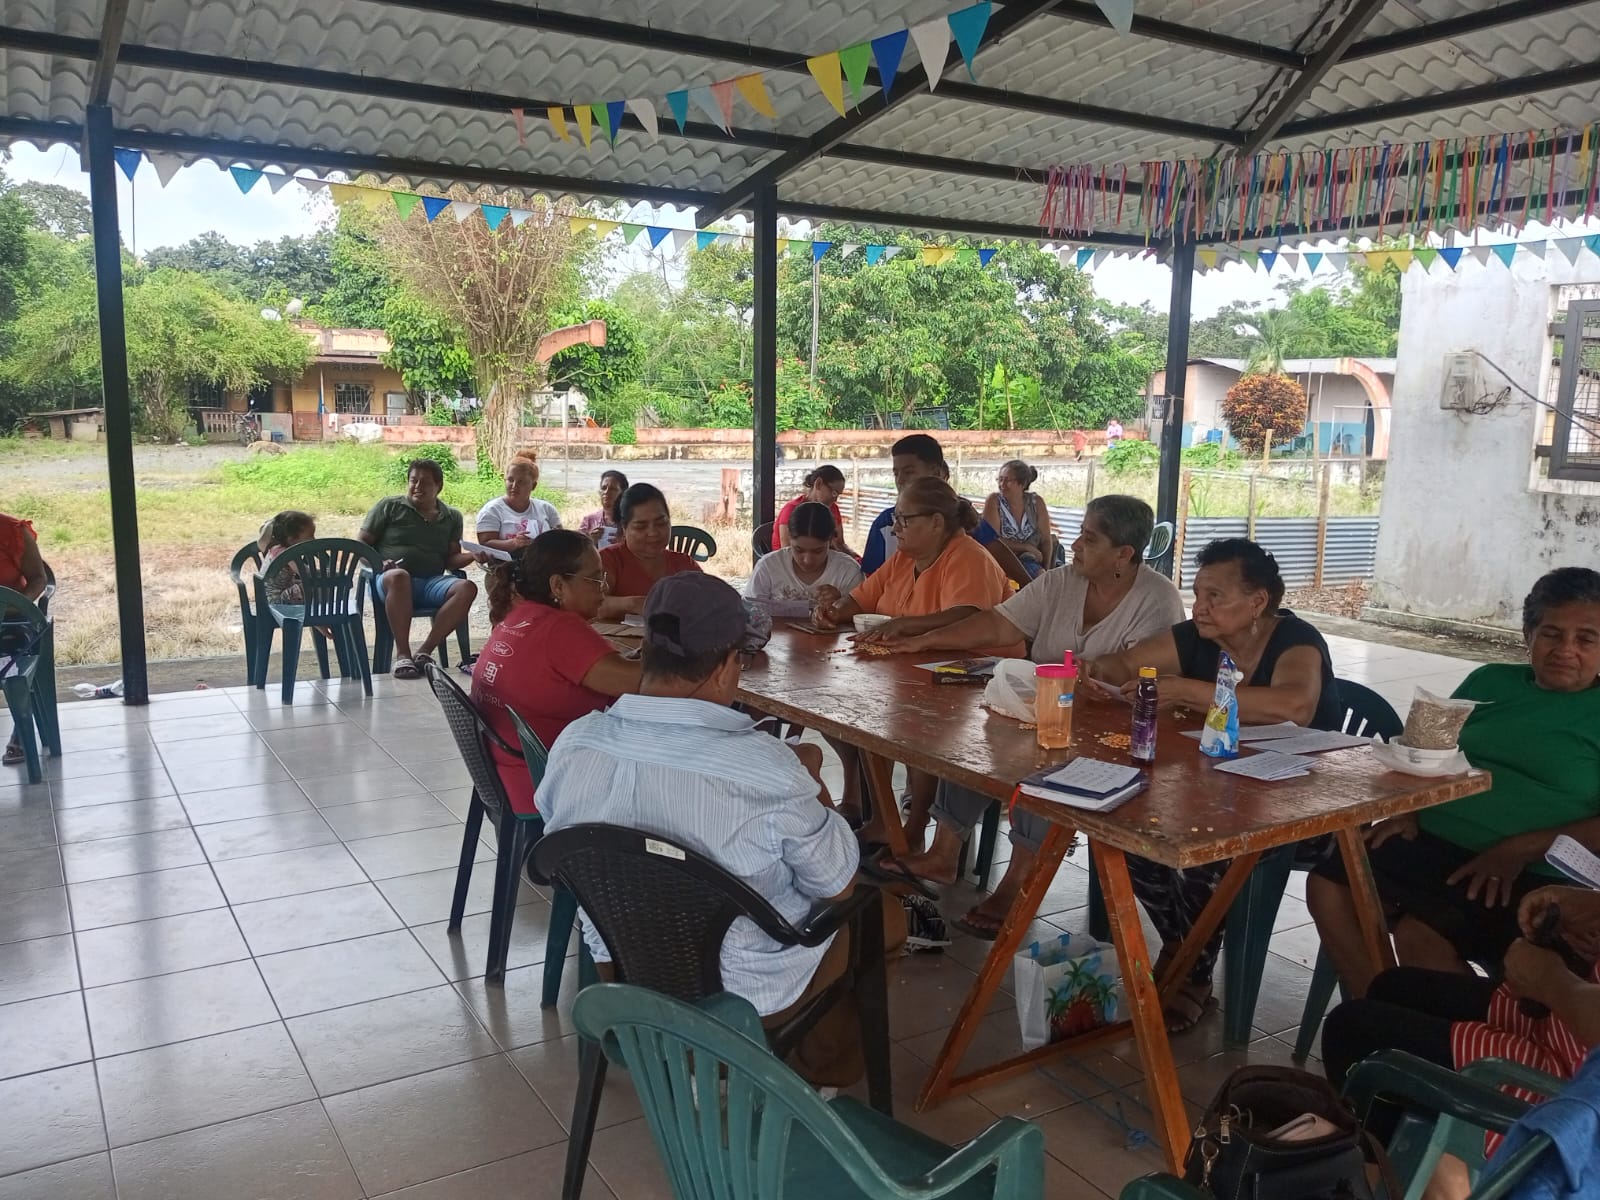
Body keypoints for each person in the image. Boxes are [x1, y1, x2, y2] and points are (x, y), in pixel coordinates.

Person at [535, 572, 905, 1085]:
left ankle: (713, 1067)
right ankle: (814, 1073)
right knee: (885, 915)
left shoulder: (576, 742)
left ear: (644, 651)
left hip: (623, 976)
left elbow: (564, 840)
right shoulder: (766, 767)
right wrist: (813, 783)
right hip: (742, 998)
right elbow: (837, 885)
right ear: (727, 666)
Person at [861, 496, 1184, 937]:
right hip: (1046, 712)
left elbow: (1142, 673)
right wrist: (925, 640)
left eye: (1090, 539)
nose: (1075, 545)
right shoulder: (1061, 581)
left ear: (1123, 554)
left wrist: (1095, 680)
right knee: (969, 740)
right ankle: (943, 852)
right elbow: (999, 624)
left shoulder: (1156, 599)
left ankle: (1018, 880)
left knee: (1050, 766)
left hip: (1114, 733)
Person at [1085, 537, 1341, 1032]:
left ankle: (1192, 972)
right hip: (1223, 788)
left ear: (1258, 602)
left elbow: (1294, 705)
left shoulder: (1296, 640)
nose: (1199, 606)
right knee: (1123, 824)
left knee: (1207, 850)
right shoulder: (1197, 637)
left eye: (1215, 596)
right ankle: (1184, 948)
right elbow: (1125, 664)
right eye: (1198, 593)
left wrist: (1186, 690)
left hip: (1305, 807)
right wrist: (1096, 671)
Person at [1308, 566, 1600, 998]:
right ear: (1528, 635)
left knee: (1420, 936)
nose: (1566, 650)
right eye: (1552, 634)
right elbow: (1430, 752)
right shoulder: (1490, 680)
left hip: (1530, 872)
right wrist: (1411, 808)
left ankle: (1463, 1029)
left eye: (1586, 639)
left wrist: (1519, 849)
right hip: (1433, 842)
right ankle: (1376, 1010)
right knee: (1330, 885)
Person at [1321, 885, 1600, 1199]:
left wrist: (1548, 979)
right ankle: (1412, 1160)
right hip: (1564, 1024)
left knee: (1351, 1033)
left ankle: (1400, 1181)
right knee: (1392, 987)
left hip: (1571, 1083)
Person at [815, 477, 1023, 849]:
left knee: (910, 722)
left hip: (979, 678)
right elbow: (862, 598)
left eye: (904, 519)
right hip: (915, 671)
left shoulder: (968, 556)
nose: (895, 528)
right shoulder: (904, 558)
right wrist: (834, 611)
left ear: (936, 522)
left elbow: (967, 615)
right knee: (852, 711)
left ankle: (912, 828)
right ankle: (883, 819)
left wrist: (903, 625)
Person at [471, 531, 640, 814]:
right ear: (558, 585)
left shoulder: (521, 614)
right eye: (594, 579)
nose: (603, 588)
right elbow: (642, 683)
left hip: (507, 774)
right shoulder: (560, 629)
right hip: (545, 783)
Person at [357, 458, 479, 680]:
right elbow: (361, 545)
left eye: (425, 482)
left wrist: (474, 555)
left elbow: (451, 560)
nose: (417, 487)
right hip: (390, 581)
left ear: (438, 486)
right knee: (400, 576)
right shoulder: (390, 506)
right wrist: (379, 563)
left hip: (431, 582)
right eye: (413, 481)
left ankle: (424, 652)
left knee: (467, 588)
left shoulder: (451, 517)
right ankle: (403, 655)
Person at [858, 435, 1020, 583]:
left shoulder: (963, 517)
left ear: (935, 472)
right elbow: (870, 583)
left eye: (909, 472)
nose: (900, 480)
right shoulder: (884, 524)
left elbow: (1001, 555)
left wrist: (1029, 588)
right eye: (896, 473)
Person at [596, 483, 701, 619]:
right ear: (624, 529)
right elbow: (589, 605)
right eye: (641, 527)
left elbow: (710, 601)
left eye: (661, 523)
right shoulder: (607, 560)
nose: (653, 533)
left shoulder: (684, 564)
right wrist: (633, 604)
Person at [746, 502, 864, 619]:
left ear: (830, 540)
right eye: (799, 550)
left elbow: (862, 616)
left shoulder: (848, 571)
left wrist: (842, 604)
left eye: (818, 551)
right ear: (789, 538)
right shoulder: (768, 567)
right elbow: (749, 612)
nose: (807, 560)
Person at [1, 511, 48, 768]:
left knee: (13, 658)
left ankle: (21, 727)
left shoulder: (11, 529)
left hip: (12, 622)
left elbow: (39, 579)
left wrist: (17, 605)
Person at [474, 453, 561, 553]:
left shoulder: (547, 509)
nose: (514, 486)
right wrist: (514, 543)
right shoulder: (492, 510)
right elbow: (485, 544)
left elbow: (561, 539)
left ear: (533, 486)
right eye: (510, 480)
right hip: (505, 562)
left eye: (521, 481)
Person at [982, 459, 1053, 578]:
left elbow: (1046, 540)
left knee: (1041, 578)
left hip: (1030, 561)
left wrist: (1047, 569)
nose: (1002, 485)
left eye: (1008, 480)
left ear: (1023, 484)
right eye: (1000, 479)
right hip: (1001, 561)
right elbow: (992, 541)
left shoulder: (1036, 503)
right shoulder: (994, 501)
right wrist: (1026, 547)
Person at [776, 465, 853, 556]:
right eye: (834, 493)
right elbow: (787, 551)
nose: (835, 499)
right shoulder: (791, 510)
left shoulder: (833, 509)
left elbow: (840, 543)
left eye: (838, 495)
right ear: (818, 484)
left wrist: (853, 558)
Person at [578, 469, 629, 550]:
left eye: (613, 489)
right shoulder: (589, 521)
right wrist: (589, 542)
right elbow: (575, 551)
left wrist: (626, 543)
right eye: (603, 488)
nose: (606, 492)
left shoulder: (631, 521)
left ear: (623, 493)